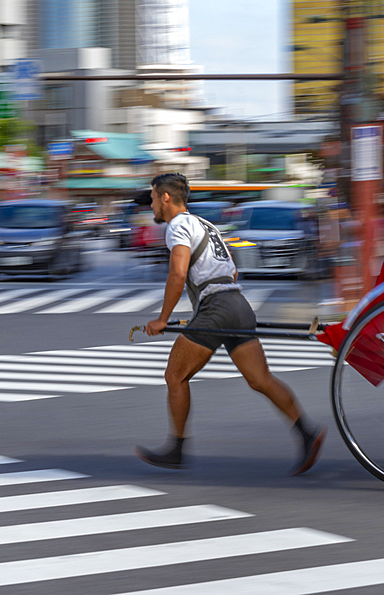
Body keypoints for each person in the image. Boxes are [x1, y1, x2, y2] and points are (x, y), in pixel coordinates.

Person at [134, 173, 325, 474]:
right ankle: (307, 433)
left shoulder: (177, 226)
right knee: (260, 379)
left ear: (165, 197)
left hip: (218, 308)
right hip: (238, 305)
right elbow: (232, 272)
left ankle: (177, 449)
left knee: (175, 375)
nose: (152, 205)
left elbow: (178, 274)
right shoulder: (206, 225)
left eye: (154, 198)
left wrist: (162, 318)